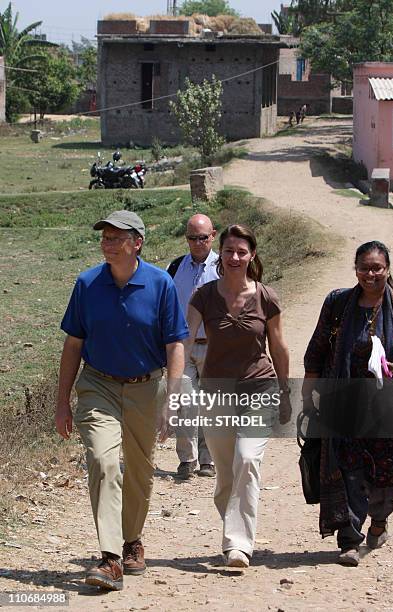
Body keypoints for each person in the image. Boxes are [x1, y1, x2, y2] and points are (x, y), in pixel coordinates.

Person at [55, 210, 188, 591]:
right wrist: (63, 401)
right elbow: (73, 344)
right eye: (105, 237)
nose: (107, 244)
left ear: (137, 243)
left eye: (116, 238)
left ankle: (132, 541)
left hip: (147, 386)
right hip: (99, 385)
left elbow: (175, 342)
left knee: (141, 471)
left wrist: (172, 399)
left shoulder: (160, 284)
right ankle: (111, 558)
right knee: (103, 459)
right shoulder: (87, 284)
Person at [184, 224, 291, 568]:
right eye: (229, 251)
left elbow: (279, 346)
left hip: (259, 388)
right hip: (216, 392)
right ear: (222, 253)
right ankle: (234, 526)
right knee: (226, 475)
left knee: (247, 459)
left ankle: (238, 544)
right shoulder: (203, 296)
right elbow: (184, 340)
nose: (234, 257)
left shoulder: (266, 297)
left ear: (252, 255)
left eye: (241, 252)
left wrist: (286, 392)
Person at [303, 241, 393, 567]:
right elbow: (318, 350)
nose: (370, 274)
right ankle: (349, 538)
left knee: (384, 478)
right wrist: (308, 397)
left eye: (376, 267)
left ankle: (379, 521)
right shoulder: (338, 303)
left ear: (387, 269)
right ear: (356, 269)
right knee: (347, 469)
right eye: (364, 267)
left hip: (388, 409)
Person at [167, 214, 218, 479]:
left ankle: (208, 460)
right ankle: (187, 459)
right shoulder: (174, 267)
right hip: (182, 346)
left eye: (203, 237)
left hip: (214, 347)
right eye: (192, 237)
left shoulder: (225, 265)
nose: (197, 242)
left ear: (213, 235)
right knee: (185, 401)